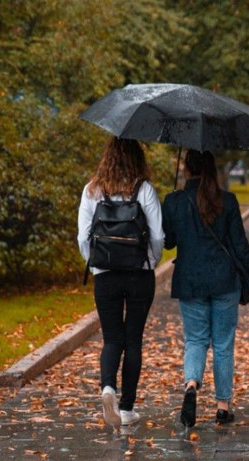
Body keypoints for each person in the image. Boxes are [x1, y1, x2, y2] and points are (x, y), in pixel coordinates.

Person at [161, 149, 249, 427]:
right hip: (224, 280)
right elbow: (239, 244)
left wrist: (170, 210)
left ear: (187, 170)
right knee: (222, 343)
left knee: (195, 340)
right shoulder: (227, 201)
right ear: (212, 170)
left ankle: (191, 385)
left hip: (190, 281)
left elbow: (168, 242)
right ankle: (222, 405)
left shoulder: (174, 201)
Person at [77, 137, 164, 428]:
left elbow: (82, 238)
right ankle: (126, 409)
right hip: (140, 273)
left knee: (112, 338)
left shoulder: (92, 190)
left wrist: (97, 263)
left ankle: (107, 389)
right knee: (133, 339)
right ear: (138, 159)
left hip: (106, 276)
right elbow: (157, 236)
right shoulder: (145, 190)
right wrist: (152, 260)